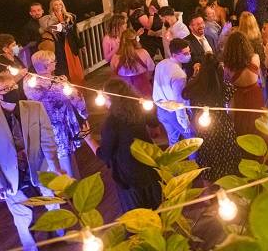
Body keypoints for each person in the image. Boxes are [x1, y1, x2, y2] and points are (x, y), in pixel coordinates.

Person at [0, 73, 63, 251]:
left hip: (40, 168)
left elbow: (48, 140)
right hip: (12, 177)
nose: (12, 90)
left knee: (53, 204)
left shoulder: (35, 108)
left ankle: (60, 235)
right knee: (22, 217)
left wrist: (55, 166)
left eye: (13, 86)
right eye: (6, 89)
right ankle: (30, 247)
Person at [83, 78, 162, 212]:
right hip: (149, 165)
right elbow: (156, 132)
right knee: (157, 209)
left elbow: (105, 154)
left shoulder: (112, 122)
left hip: (129, 175)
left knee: (137, 216)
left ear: (109, 98)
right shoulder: (140, 108)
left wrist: (89, 139)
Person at [26, 50, 89, 178]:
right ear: (47, 66)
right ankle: (70, 187)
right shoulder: (60, 83)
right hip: (60, 125)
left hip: (42, 125)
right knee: (65, 158)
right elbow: (76, 99)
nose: (56, 63)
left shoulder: (29, 84)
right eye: (53, 61)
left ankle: (55, 184)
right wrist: (84, 112)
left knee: (50, 157)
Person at [183, 53, 239, 182]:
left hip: (202, 127)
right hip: (223, 127)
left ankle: (208, 192)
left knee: (207, 158)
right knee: (226, 157)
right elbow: (232, 111)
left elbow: (190, 107)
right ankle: (226, 188)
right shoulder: (226, 88)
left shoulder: (194, 86)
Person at [153, 39, 195, 145]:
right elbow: (179, 102)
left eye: (189, 52)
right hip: (174, 112)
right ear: (174, 54)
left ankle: (173, 161)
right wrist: (185, 123)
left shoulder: (161, 64)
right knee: (190, 142)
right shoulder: (179, 75)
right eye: (185, 53)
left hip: (161, 109)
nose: (189, 55)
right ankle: (193, 161)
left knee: (173, 139)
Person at [222, 31, 264, 136]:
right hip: (255, 94)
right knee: (258, 123)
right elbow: (259, 75)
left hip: (237, 97)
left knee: (241, 126)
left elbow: (226, 82)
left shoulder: (228, 66)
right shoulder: (255, 58)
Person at [39, 0, 85, 85]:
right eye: (55, 4)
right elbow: (48, 29)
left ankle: (78, 84)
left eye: (60, 4)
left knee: (74, 65)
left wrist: (81, 45)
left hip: (70, 44)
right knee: (63, 65)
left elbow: (75, 32)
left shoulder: (70, 17)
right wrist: (58, 26)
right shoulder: (49, 19)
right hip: (59, 45)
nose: (58, 6)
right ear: (52, 6)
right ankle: (67, 85)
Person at [111, 29, 155, 99]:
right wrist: (146, 78)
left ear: (121, 41)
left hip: (123, 91)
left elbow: (114, 73)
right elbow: (151, 68)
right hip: (143, 88)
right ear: (136, 40)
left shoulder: (115, 57)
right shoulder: (143, 53)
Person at [184, 13, 216, 78]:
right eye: (198, 24)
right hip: (200, 78)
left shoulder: (210, 38)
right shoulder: (186, 42)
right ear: (191, 27)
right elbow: (185, 63)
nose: (201, 26)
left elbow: (216, 55)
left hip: (214, 76)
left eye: (202, 23)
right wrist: (194, 65)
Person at [19, 2, 44, 70]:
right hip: (37, 56)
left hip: (50, 54)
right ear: (30, 13)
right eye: (34, 11)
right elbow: (25, 43)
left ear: (42, 11)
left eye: (39, 10)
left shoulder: (48, 22)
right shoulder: (28, 27)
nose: (37, 12)